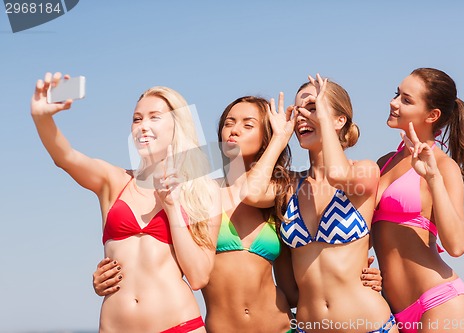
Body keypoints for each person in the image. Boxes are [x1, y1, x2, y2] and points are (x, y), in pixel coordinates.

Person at [93, 95, 384, 333]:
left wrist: (357, 274)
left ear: (266, 134)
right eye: (229, 122)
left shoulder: (279, 196)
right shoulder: (197, 193)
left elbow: (294, 286)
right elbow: (156, 252)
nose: (234, 129)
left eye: (248, 124)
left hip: (282, 326)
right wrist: (110, 279)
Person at [31, 72, 221, 333]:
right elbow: (65, 157)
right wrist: (42, 118)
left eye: (155, 117)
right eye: (136, 119)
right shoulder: (114, 180)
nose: (143, 125)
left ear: (177, 125)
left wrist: (173, 207)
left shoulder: (204, 192)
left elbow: (199, 276)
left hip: (179, 325)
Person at [240, 74, 398, 333]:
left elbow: (337, 175)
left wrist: (323, 119)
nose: (303, 115)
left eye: (313, 107)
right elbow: (250, 193)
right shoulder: (290, 185)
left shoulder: (365, 171)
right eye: (299, 110)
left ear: (339, 120)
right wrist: (280, 138)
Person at [371, 68, 464, 333]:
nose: (394, 103)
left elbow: (456, 245)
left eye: (406, 99)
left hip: (441, 304)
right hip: (391, 313)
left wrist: (433, 179)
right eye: (397, 94)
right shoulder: (383, 164)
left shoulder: (443, 166)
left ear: (432, 115)